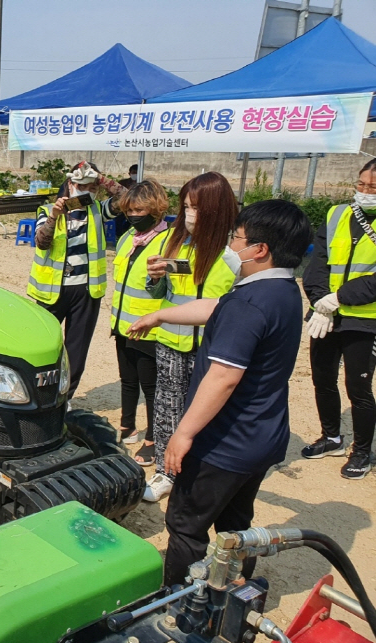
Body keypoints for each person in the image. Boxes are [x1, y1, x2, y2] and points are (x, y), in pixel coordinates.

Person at [130, 200, 311, 585]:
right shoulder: (281, 291)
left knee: (185, 525)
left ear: (260, 250)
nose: (232, 244)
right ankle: (234, 592)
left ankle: (179, 607)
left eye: (237, 238)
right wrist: (161, 314)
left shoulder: (249, 304)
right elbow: (218, 307)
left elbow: (223, 376)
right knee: (235, 526)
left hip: (224, 444)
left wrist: (183, 434)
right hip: (261, 439)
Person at [135, 172, 238, 503]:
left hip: (212, 349)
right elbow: (163, 292)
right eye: (185, 206)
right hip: (170, 343)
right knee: (167, 408)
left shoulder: (233, 253)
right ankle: (166, 472)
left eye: (196, 207)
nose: (188, 214)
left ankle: (198, 472)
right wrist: (155, 280)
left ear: (216, 209)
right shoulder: (175, 242)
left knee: (205, 411)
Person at [301, 158, 376, 479]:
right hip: (325, 315)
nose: (365, 192)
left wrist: (340, 297)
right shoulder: (336, 215)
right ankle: (331, 436)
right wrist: (321, 302)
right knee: (322, 378)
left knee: (358, 388)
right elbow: (317, 264)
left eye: (372, 188)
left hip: (364, 320)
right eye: (361, 185)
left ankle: (361, 451)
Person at [27, 160, 126, 399]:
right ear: (70, 184)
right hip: (52, 291)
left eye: (92, 187)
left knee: (76, 351)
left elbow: (127, 198)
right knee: (43, 346)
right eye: (81, 184)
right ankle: (38, 394)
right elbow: (42, 242)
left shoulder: (98, 211)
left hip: (86, 291)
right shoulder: (48, 210)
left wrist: (101, 179)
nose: (86, 191)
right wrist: (54, 216)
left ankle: (65, 398)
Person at [110, 180, 171, 447]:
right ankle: (127, 426)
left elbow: (168, 288)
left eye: (139, 210)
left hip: (149, 328)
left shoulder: (168, 241)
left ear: (156, 209)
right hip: (123, 324)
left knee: (151, 387)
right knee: (128, 380)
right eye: (129, 211)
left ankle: (153, 438)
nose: (133, 216)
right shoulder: (127, 238)